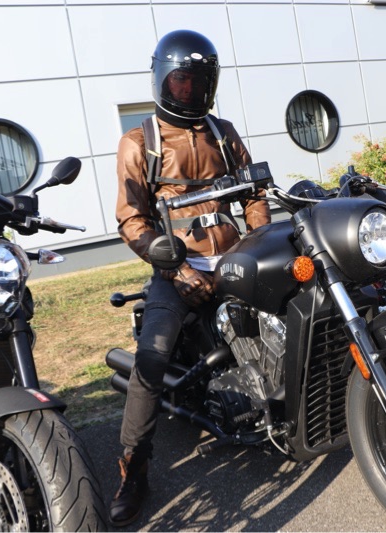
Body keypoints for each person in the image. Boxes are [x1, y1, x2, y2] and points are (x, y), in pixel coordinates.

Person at [111, 29, 270, 526]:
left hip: (234, 261)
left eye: (199, 83)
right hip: (173, 268)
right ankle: (133, 469)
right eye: (181, 82)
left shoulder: (224, 133)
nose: (190, 92)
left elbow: (253, 196)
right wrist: (174, 267)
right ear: (162, 79)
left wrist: (260, 243)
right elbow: (131, 219)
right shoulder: (140, 143)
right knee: (152, 360)